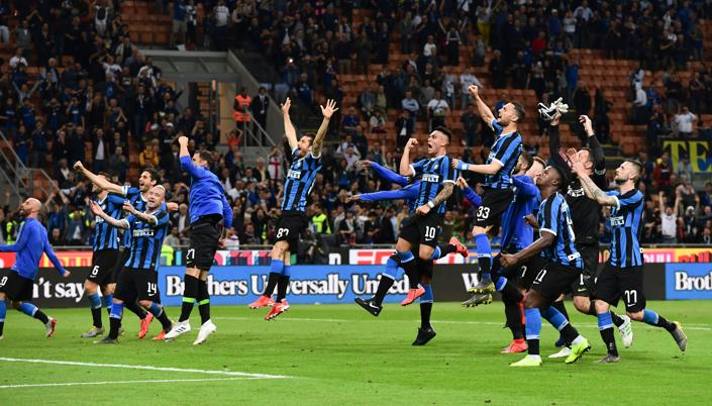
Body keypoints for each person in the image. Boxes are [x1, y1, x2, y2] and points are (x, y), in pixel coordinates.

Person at [571, 158, 688, 363]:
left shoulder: (636, 196)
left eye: (622, 167)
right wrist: (580, 173)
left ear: (632, 175)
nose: (618, 169)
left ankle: (671, 326)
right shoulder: (616, 194)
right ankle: (612, 353)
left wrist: (582, 172)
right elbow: (592, 195)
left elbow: (601, 199)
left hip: (630, 263)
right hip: (613, 262)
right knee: (600, 305)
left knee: (635, 314)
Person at [247, 98, 338, 320]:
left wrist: (325, 120)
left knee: (277, 249)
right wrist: (286, 114)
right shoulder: (297, 157)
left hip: (295, 213)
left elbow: (318, 141)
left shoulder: (311, 161)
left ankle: (267, 295)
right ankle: (281, 300)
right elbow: (290, 135)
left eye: (304, 141)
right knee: (285, 255)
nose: (300, 142)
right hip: (287, 213)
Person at [352, 160, 472, 318]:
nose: (404, 174)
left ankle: (378, 302)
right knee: (420, 275)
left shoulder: (418, 188)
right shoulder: (414, 182)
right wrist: (374, 165)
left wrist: (365, 196)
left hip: (423, 230)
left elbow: (393, 194)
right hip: (418, 229)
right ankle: (383, 305)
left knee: (413, 268)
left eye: (409, 171)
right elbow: (394, 177)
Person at [500, 165, 591, 367]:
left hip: (563, 262)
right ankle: (577, 340)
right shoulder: (550, 203)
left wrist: (516, 257)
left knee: (530, 301)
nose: (541, 173)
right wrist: (538, 224)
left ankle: (533, 355)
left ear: (555, 182)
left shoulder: (551, 203)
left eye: (547, 172)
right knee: (543, 304)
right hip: (563, 262)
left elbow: (548, 239)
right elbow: (555, 231)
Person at [74, 162, 177, 338]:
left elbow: (157, 215)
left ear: (153, 183)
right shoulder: (133, 194)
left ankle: (163, 323)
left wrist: (165, 206)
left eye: (145, 177)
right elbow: (106, 185)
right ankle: (131, 324)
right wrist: (83, 170)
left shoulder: (157, 203)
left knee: (144, 297)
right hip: (129, 249)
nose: (140, 179)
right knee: (116, 292)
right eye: (141, 176)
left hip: (143, 253)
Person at [463, 153, 545, 355]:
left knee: (493, 277)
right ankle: (519, 340)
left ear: (523, 166)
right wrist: (466, 191)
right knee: (508, 296)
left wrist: (506, 176)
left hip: (522, 249)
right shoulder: (509, 190)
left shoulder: (525, 183)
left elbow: (530, 190)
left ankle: (562, 333)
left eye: (514, 161)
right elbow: (487, 206)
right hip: (509, 247)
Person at [453, 85, 524, 292]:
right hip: (493, 191)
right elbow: (486, 116)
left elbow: (493, 169)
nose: (500, 110)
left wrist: (464, 166)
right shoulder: (502, 132)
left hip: (499, 191)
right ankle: (489, 279)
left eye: (506, 109)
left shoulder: (513, 140)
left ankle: (486, 278)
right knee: (481, 231)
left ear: (514, 117)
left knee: (478, 230)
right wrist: (476, 96)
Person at [164, 136, 233, 345]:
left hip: (202, 227)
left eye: (196, 159)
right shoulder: (215, 182)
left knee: (191, 272)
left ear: (203, 162)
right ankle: (206, 322)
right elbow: (228, 212)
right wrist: (222, 232)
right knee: (201, 277)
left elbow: (184, 163)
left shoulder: (202, 173)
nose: (193, 162)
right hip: (210, 230)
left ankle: (184, 321)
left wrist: (183, 143)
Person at [391, 129, 457, 345]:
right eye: (429, 136)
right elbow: (403, 172)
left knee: (425, 257)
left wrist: (430, 204)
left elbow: (448, 189)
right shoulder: (426, 163)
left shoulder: (447, 162)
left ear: (444, 143)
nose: (429, 139)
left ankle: (452, 247)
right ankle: (417, 298)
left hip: (432, 215)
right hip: (417, 215)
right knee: (402, 249)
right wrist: (406, 150)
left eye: (434, 137)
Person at [91, 187, 174, 344]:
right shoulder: (136, 215)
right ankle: (112, 336)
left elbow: (151, 220)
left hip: (148, 267)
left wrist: (134, 212)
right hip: (130, 265)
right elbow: (120, 223)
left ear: (162, 200)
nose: (152, 196)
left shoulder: (162, 214)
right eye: (151, 193)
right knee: (117, 299)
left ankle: (167, 325)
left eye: (157, 195)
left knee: (145, 302)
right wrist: (102, 214)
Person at [0, 198, 69, 339]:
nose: (23, 204)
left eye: (27, 203)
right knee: (16, 303)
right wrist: (61, 270)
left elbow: (18, 246)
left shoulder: (27, 224)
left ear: (35, 209)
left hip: (20, 268)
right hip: (31, 272)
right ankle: (47, 320)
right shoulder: (42, 228)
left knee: (1, 295)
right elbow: (50, 252)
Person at [80, 172, 127, 338]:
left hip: (109, 251)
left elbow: (131, 204)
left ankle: (98, 326)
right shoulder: (96, 202)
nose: (93, 182)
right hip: (99, 250)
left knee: (89, 286)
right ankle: (117, 326)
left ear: (105, 183)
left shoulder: (113, 199)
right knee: (106, 289)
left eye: (97, 180)